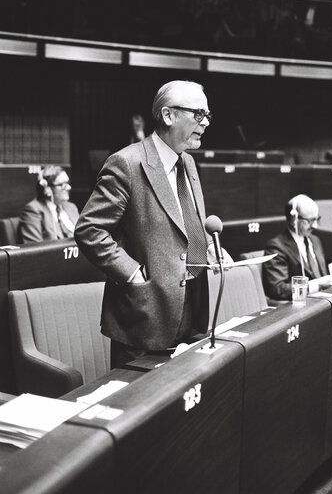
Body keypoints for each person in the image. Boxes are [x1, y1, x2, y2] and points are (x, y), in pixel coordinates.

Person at [75, 80, 231, 368]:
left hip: (192, 307)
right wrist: (132, 272)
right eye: (198, 114)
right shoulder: (126, 163)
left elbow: (184, 223)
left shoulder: (189, 163)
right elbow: (89, 230)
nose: (206, 122)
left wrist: (208, 246)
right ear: (168, 115)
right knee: (139, 404)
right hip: (145, 315)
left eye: (208, 115)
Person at [263, 194, 329, 300]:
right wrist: (317, 284)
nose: (315, 226)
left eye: (317, 219)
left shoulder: (315, 240)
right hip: (303, 306)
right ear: (293, 219)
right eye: (310, 221)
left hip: (326, 301)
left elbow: (323, 275)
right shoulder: (276, 247)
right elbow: (278, 289)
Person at [19, 165, 79, 243]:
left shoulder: (71, 207)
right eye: (62, 185)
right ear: (47, 188)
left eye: (67, 183)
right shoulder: (33, 210)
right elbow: (33, 248)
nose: (68, 187)